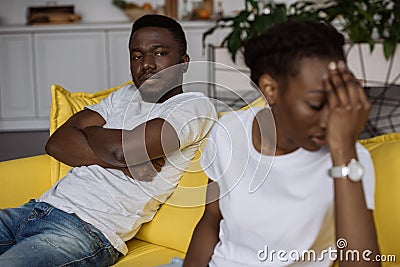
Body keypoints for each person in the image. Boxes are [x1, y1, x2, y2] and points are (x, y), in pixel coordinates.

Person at [0, 14, 217, 266]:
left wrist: (90, 133)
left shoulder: (193, 106)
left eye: (159, 53)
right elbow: (57, 142)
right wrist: (121, 161)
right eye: (136, 56)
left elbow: (125, 151)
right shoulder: (124, 95)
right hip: (35, 209)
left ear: (183, 62)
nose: (146, 64)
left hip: (85, 230)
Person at [160, 20, 380, 267]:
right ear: (270, 88)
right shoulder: (228, 133)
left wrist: (343, 151)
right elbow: (211, 220)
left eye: (338, 101)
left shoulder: (351, 160)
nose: (331, 119)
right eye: (317, 104)